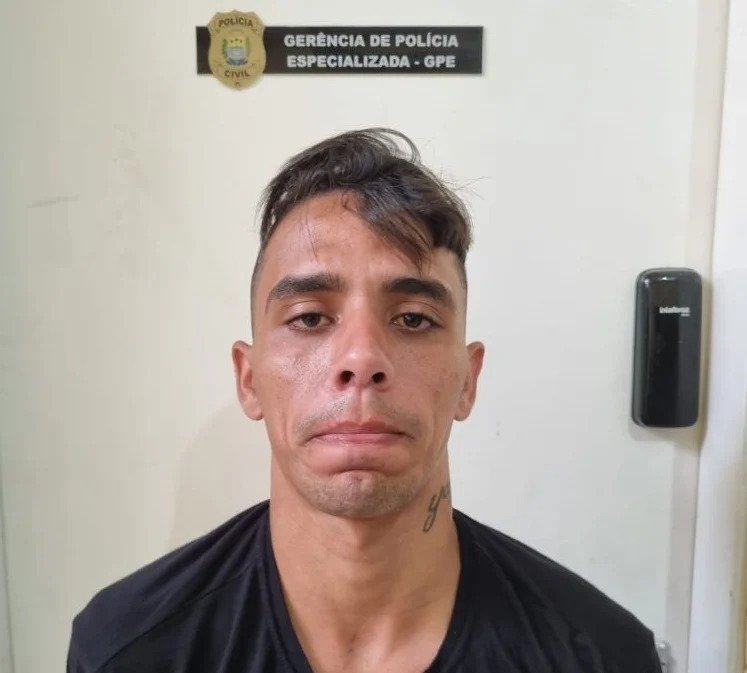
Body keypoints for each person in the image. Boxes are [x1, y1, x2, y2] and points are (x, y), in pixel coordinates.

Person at [67, 129, 662, 673]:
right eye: (309, 318)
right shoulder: (129, 651)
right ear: (249, 380)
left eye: (413, 318)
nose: (361, 357)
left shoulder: (600, 656)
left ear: (468, 380)